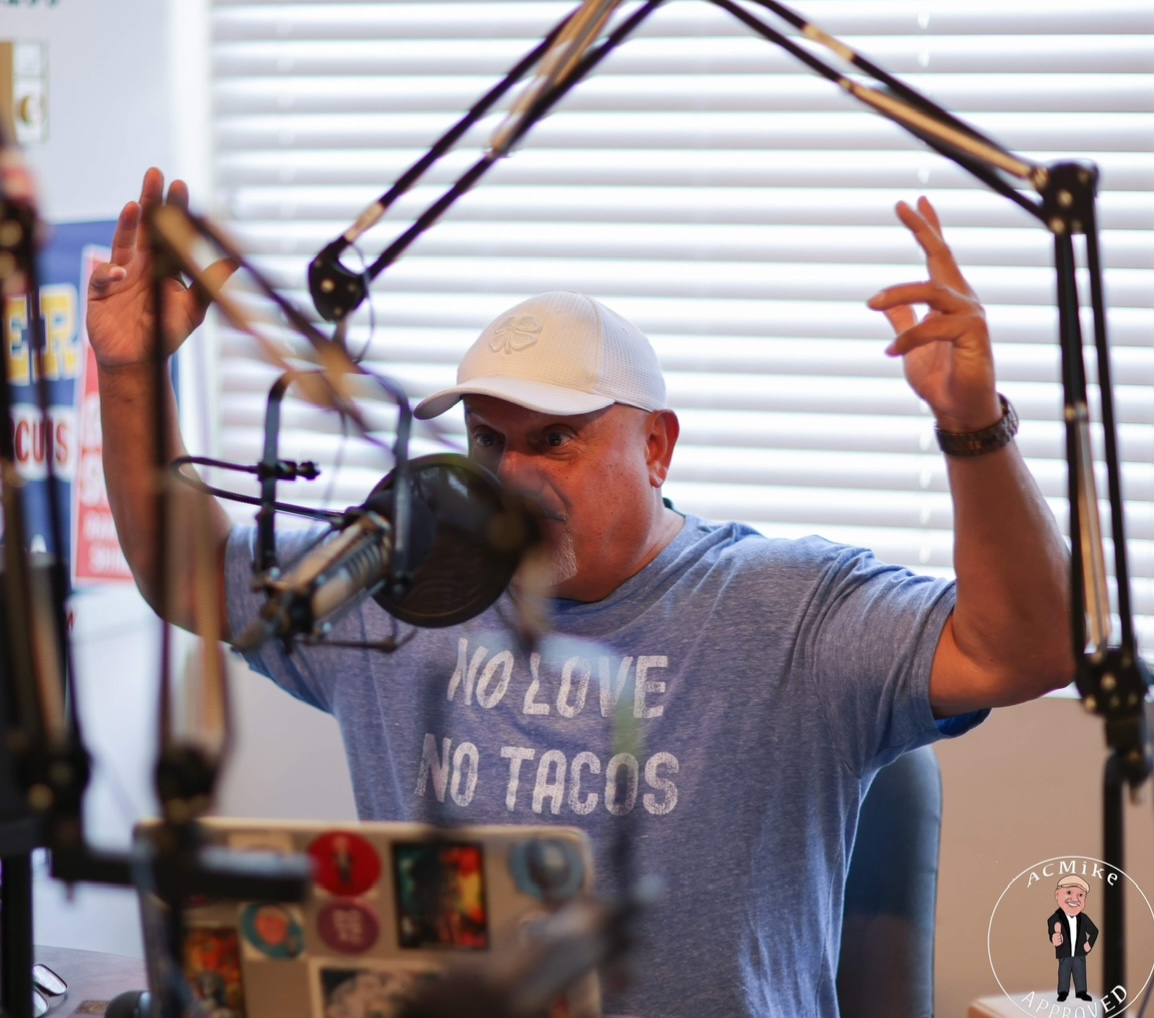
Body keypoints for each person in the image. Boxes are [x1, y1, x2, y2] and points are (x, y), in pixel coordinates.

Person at [88, 168, 1073, 1018]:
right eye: (488, 440)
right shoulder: (406, 577)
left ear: (657, 446)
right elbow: (191, 572)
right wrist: (132, 370)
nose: (513, 475)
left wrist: (972, 427)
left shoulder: (788, 609)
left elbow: (1024, 647)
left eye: (554, 439)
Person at [1048, 874, 1099, 1002]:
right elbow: (1052, 931)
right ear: (1057, 895)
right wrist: (1054, 937)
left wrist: (1089, 944)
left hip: (1079, 952)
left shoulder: (1083, 918)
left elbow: (1094, 931)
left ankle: (1081, 991)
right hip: (1064, 952)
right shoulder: (1055, 918)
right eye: (1069, 892)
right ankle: (1063, 992)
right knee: (1064, 971)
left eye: (1080, 895)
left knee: (1080, 971)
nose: (1075, 899)